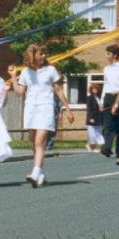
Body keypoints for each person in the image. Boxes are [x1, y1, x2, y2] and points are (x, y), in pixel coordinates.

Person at [8, 44, 74, 188]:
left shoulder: (51, 70)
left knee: (39, 140)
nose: (44, 56)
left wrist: (67, 108)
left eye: (45, 54)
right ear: (33, 55)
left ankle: (35, 172)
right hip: (31, 108)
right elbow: (19, 92)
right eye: (41, 54)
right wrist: (13, 77)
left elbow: (58, 90)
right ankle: (40, 173)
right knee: (35, 142)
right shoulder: (25, 72)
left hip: (46, 107)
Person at [100, 44, 119, 159]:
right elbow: (105, 84)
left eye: (108, 54)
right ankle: (107, 147)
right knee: (107, 124)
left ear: (115, 55)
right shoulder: (106, 69)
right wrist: (101, 101)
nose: (106, 56)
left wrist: (118, 102)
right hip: (108, 97)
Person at [85, 83, 104, 152]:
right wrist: (91, 118)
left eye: (96, 89)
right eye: (93, 89)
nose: (95, 90)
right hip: (92, 118)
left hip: (99, 118)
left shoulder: (99, 98)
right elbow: (89, 109)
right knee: (92, 133)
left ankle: (100, 147)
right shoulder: (89, 97)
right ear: (91, 90)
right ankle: (91, 146)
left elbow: (101, 107)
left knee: (99, 132)